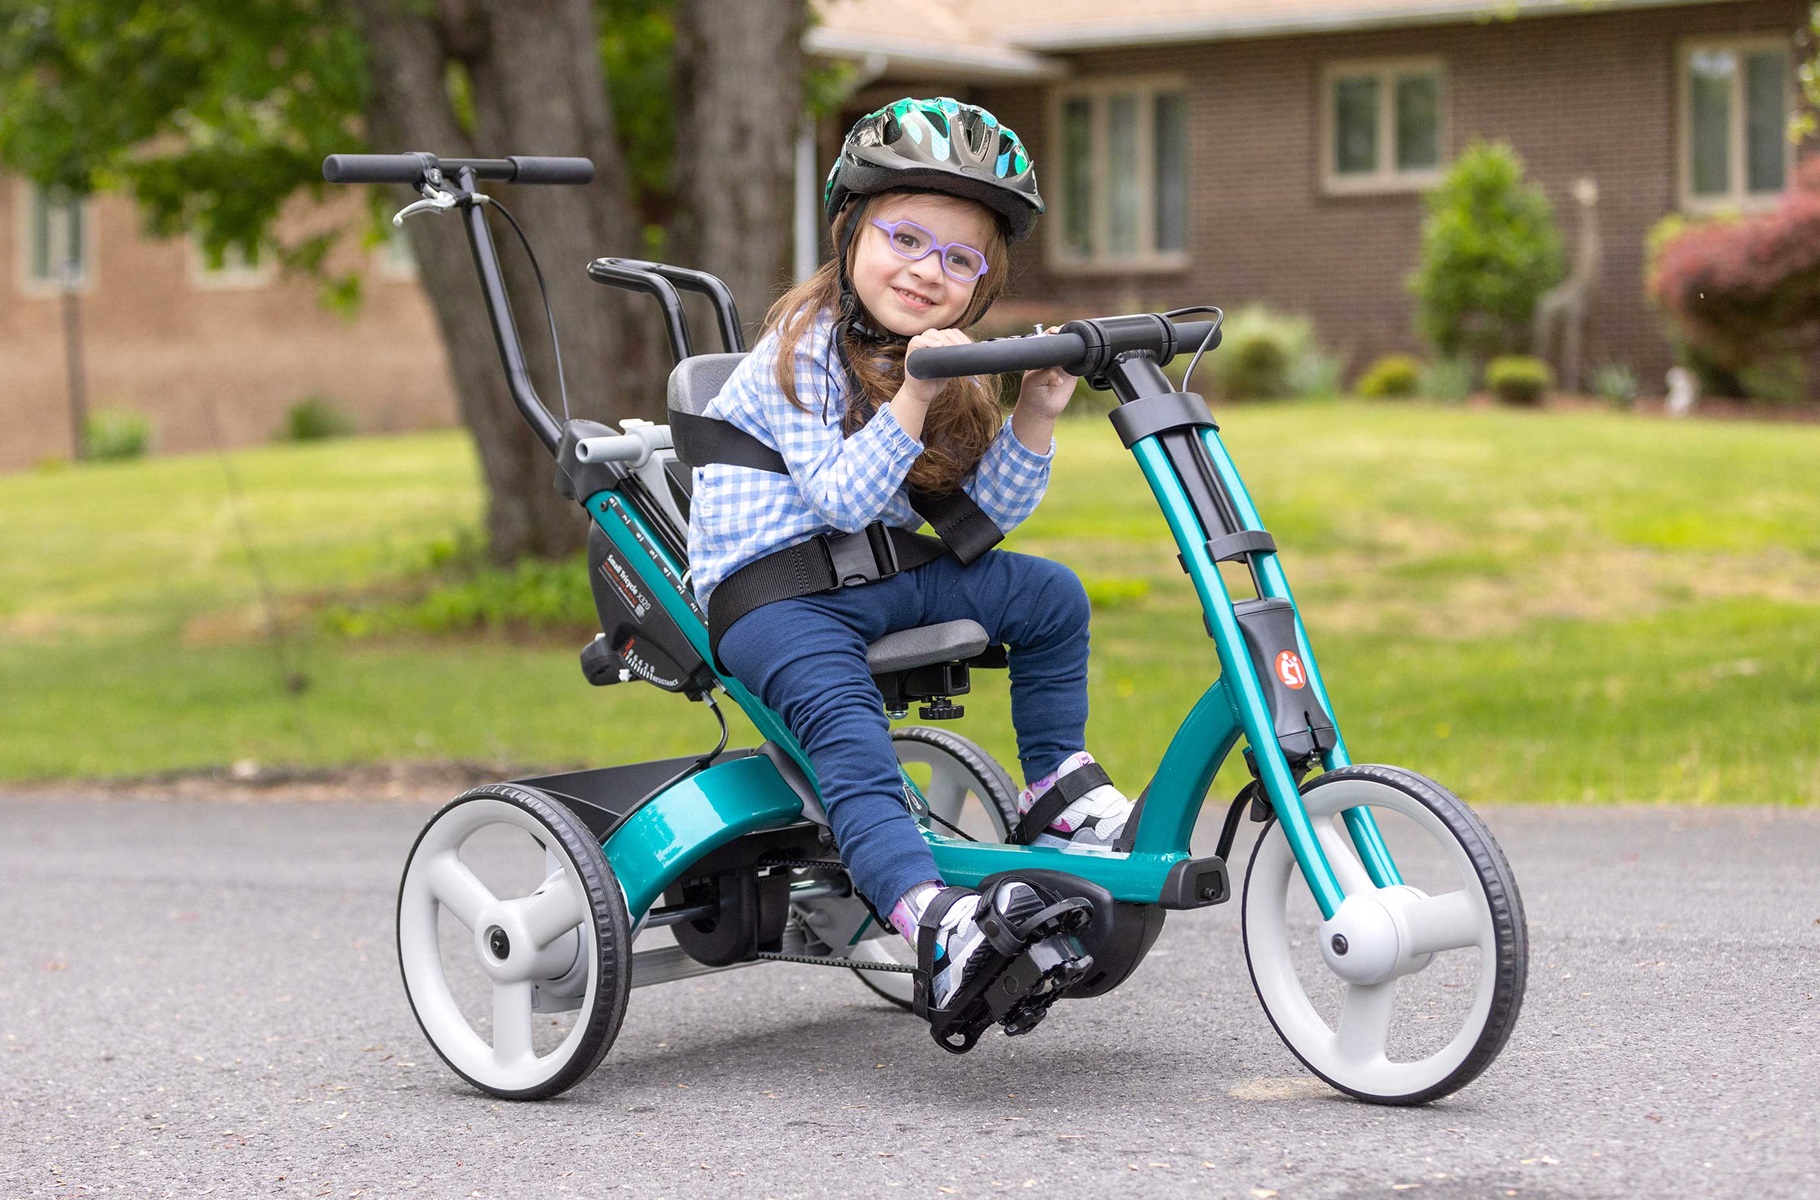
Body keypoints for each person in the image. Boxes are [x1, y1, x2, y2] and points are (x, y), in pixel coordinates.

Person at [688, 98, 1132, 1014]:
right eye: (906, 238)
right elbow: (841, 498)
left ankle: (1056, 787)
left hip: (873, 577)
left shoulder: (923, 357)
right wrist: (919, 395)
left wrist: (1035, 413)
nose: (929, 271)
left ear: (982, 282)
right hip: (770, 600)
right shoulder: (803, 347)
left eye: (959, 259)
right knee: (850, 737)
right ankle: (928, 917)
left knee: (1048, 598)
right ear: (851, 233)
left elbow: (982, 519)